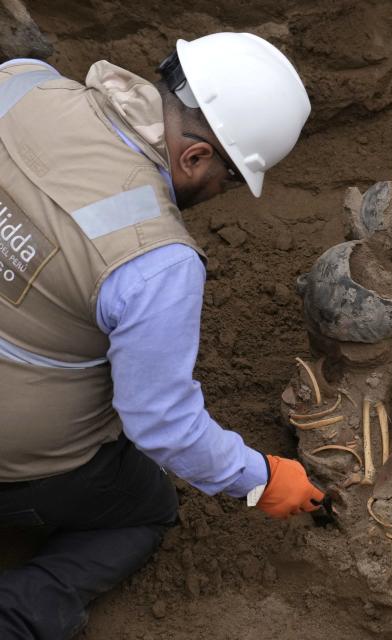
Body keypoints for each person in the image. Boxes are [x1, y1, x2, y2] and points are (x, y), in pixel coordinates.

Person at [0, 33, 326, 638]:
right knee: (143, 508)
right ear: (196, 157)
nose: (220, 193)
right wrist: (261, 477)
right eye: (230, 178)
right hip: (18, 460)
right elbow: (160, 423)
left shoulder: (21, 81)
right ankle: (19, 612)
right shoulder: (157, 260)